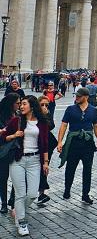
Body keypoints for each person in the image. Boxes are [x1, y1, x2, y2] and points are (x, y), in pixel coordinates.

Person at [4, 96, 50, 236]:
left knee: (32, 194)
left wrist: (46, 163)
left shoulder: (41, 123)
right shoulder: (16, 121)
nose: (21, 106)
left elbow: (45, 144)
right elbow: (4, 137)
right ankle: (22, 222)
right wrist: (14, 135)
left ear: (32, 105)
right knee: (20, 194)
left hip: (35, 161)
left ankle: (17, 211)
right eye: (20, 104)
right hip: (18, 160)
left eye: (24, 104)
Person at [56, 87, 97, 204]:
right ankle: (67, 189)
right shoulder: (70, 109)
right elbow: (63, 125)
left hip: (88, 144)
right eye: (76, 96)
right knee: (70, 168)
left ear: (86, 97)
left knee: (87, 170)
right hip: (73, 143)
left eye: (79, 96)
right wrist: (60, 141)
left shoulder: (93, 110)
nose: (76, 98)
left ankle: (85, 194)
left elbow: (96, 126)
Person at [0, 93, 20, 214]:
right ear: (10, 103)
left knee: (17, 177)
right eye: (17, 103)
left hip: (17, 150)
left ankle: (12, 200)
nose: (19, 105)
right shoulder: (1, 117)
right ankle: (3, 203)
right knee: (3, 178)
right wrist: (12, 135)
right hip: (4, 151)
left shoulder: (19, 115)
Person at [36, 96, 57, 207]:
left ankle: (41, 194)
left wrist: (45, 115)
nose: (45, 107)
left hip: (47, 146)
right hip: (36, 146)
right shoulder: (33, 115)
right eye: (42, 104)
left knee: (44, 169)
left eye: (46, 105)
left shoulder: (47, 113)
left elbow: (51, 126)